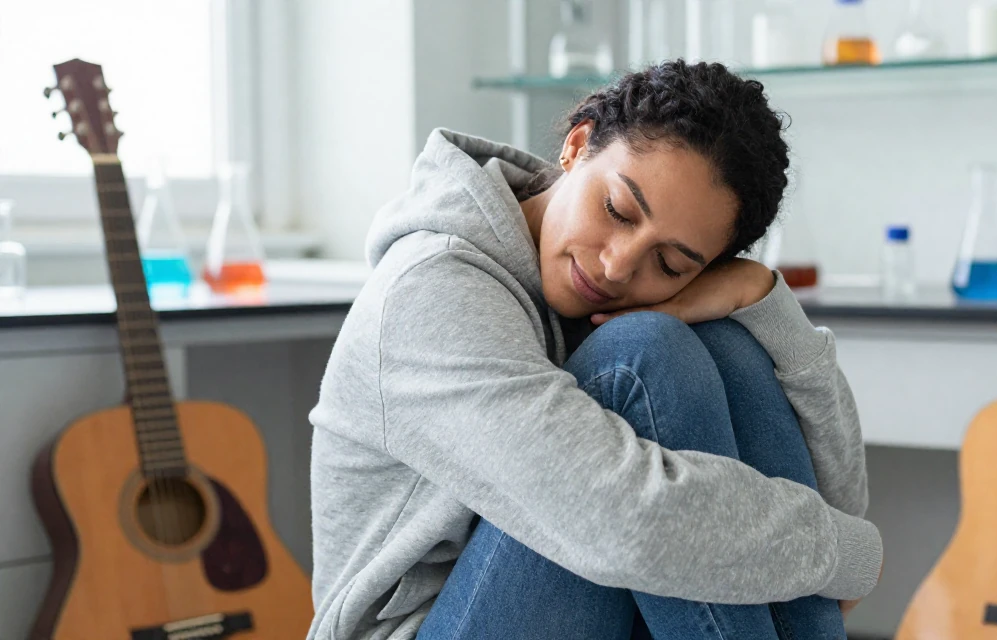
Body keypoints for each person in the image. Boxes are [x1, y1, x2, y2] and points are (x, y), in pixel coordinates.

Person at [307, 60, 882, 640]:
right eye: (617, 210)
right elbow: (623, 522)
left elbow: (838, 499)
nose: (616, 265)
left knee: (730, 343)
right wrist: (846, 552)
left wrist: (766, 301)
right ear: (577, 145)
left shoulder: (614, 287)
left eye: (671, 263)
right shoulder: (431, 285)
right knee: (642, 352)